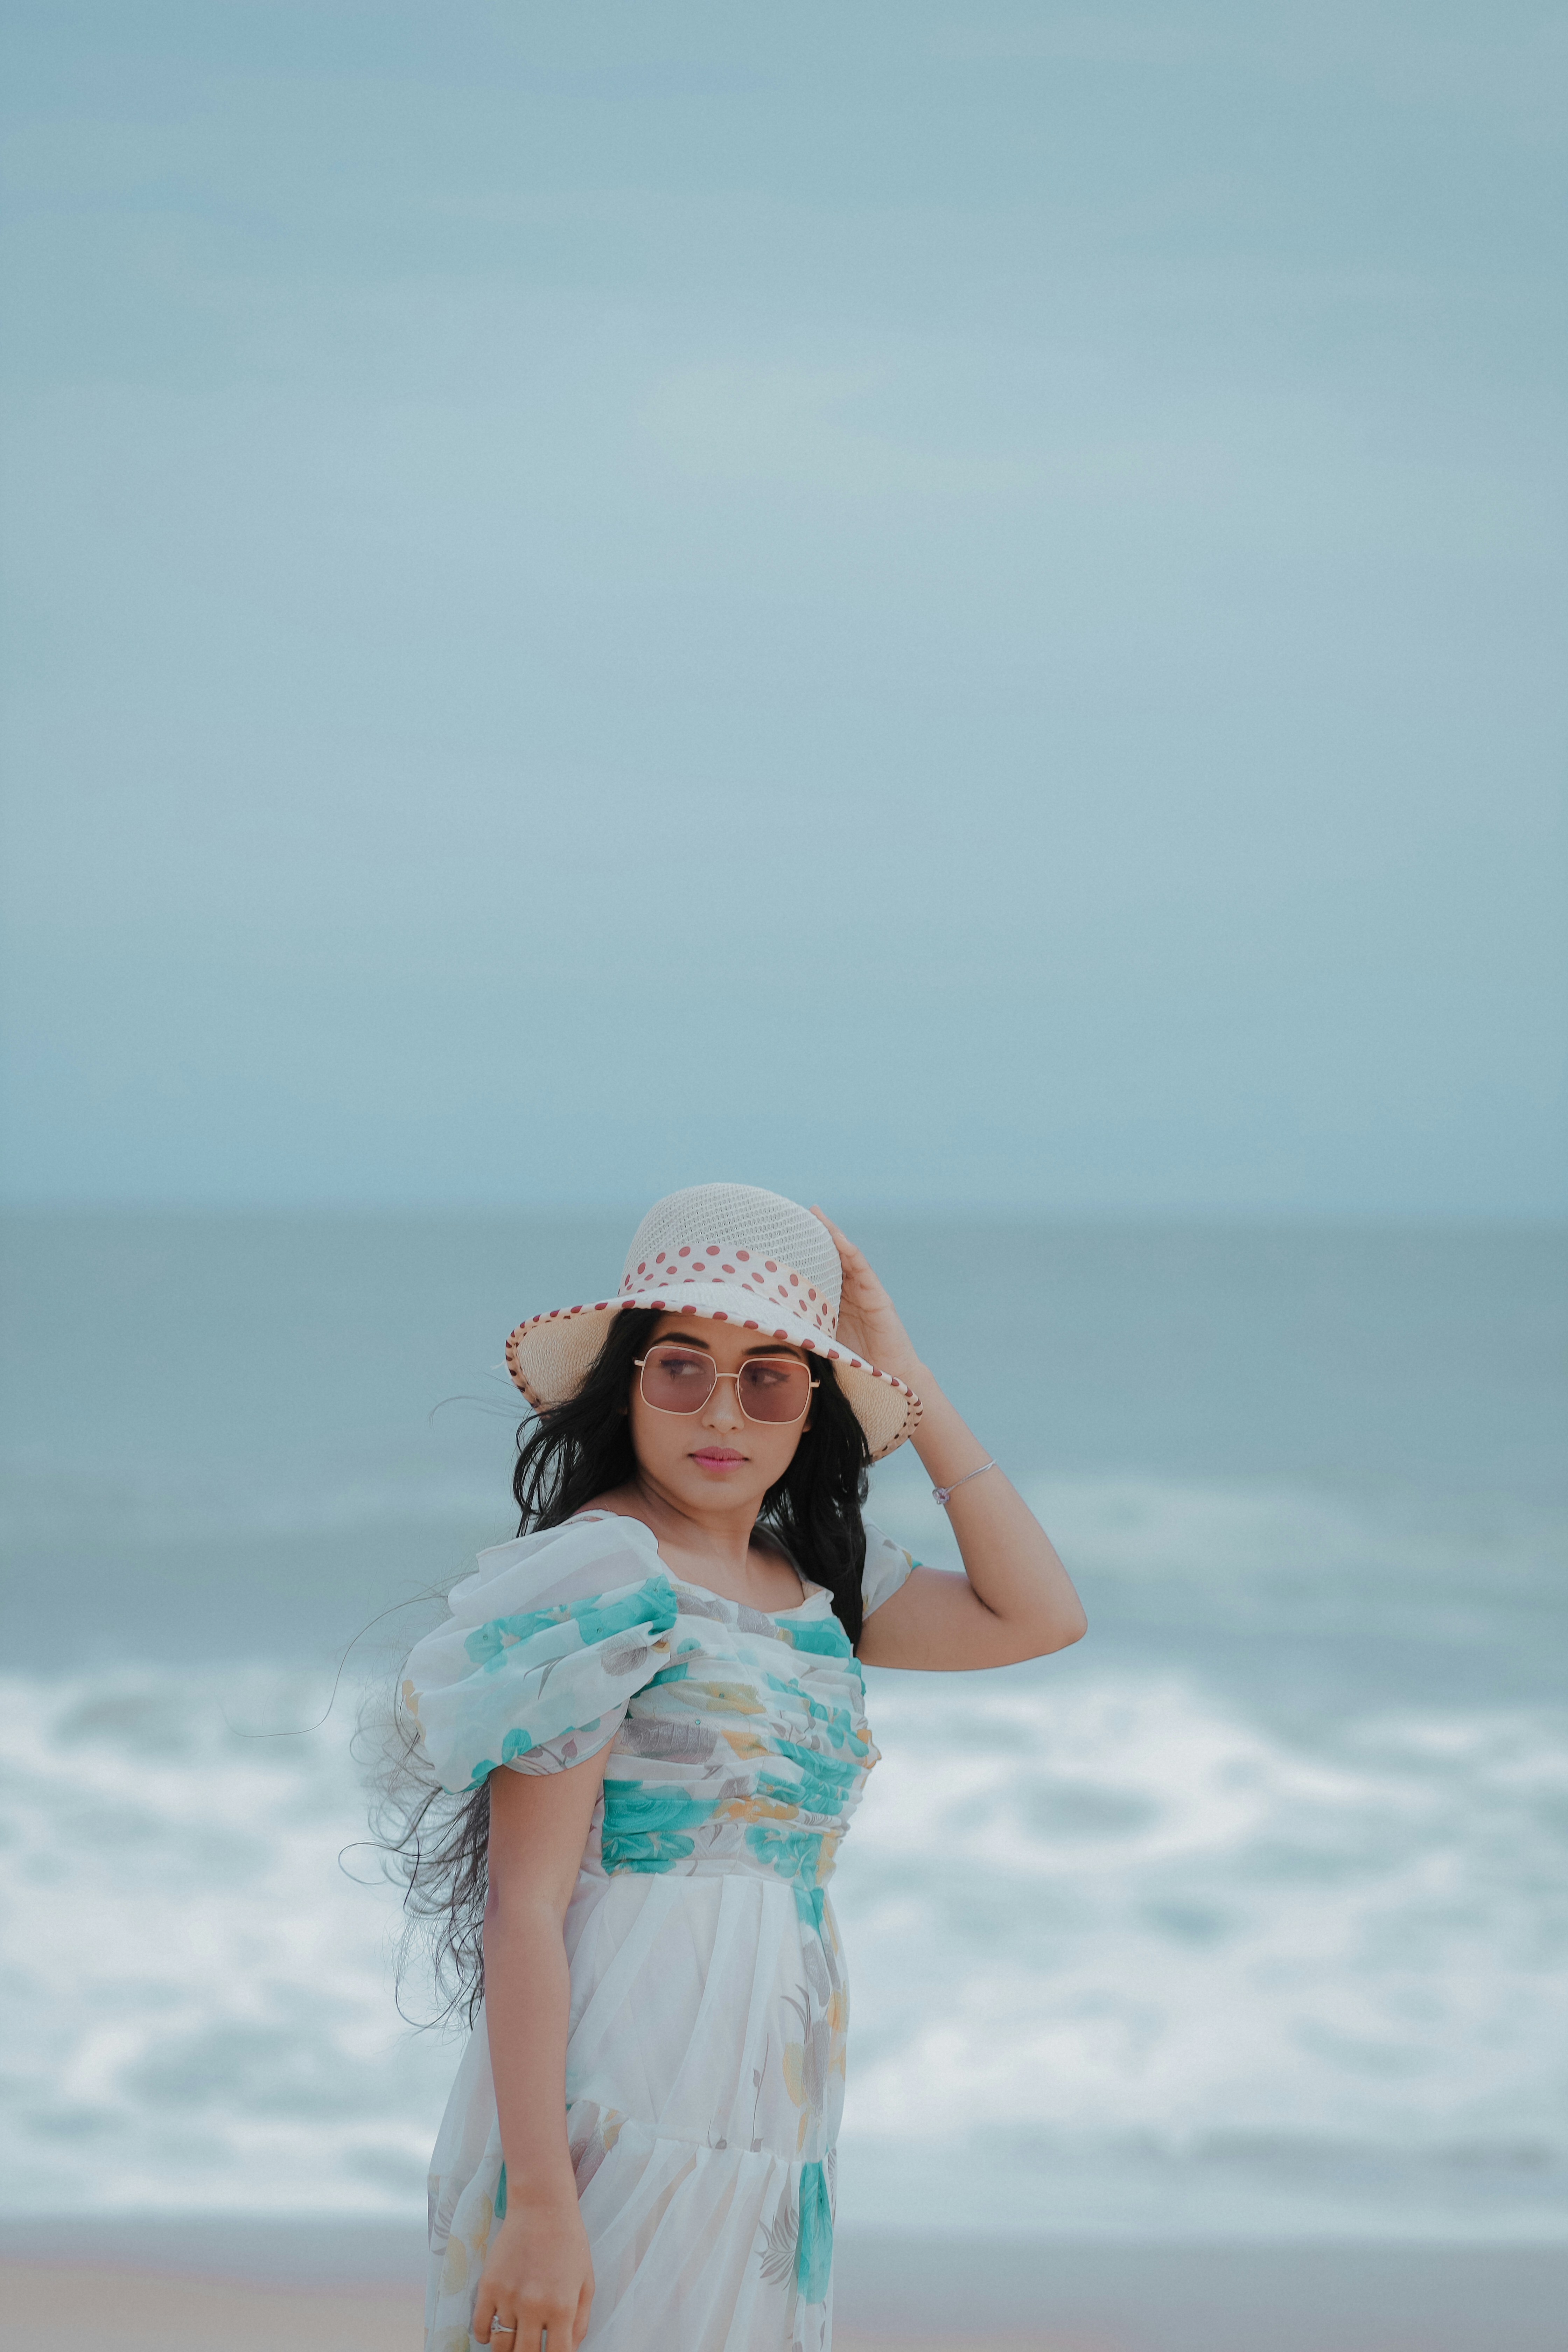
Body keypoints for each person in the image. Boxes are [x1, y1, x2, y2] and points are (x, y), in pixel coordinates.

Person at [393, 1183, 1086, 2352]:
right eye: (680, 1366)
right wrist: (545, 2206)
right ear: (628, 1382)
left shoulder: (820, 1590)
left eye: (769, 1374)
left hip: (771, 2119)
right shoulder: (601, 1577)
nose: (722, 1408)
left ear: (811, 1407)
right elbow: (526, 1909)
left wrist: (903, 1371)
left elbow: (1040, 1615)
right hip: (611, 2108)